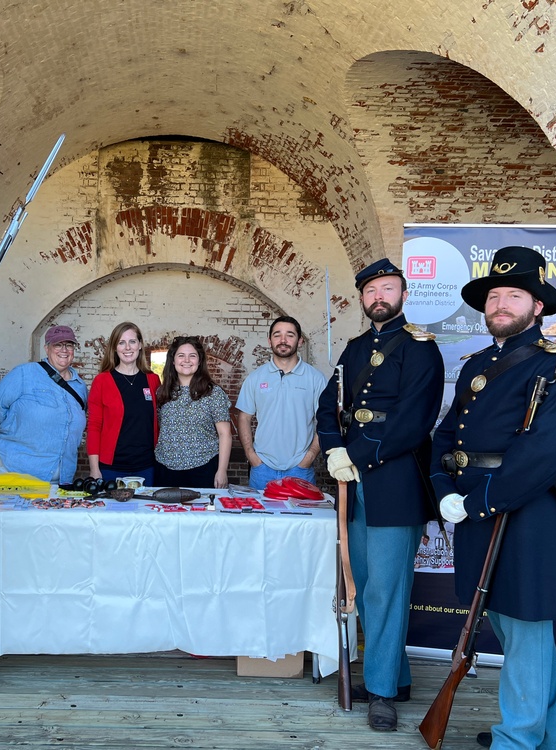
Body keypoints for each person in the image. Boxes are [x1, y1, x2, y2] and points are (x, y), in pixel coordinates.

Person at [430, 246, 556, 750]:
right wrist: (443, 489)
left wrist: (476, 503)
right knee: (513, 628)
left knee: (527, 633)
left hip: (528, 514)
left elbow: (542, 455)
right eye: (494, 295)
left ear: (537, 306)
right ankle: (548, 737)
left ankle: (516, 739)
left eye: (513, 295)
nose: (500, 303)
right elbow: (446, 435)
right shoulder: (479, 363)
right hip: (476, 504)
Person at [315, 258, 445, 732]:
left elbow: (414, 421)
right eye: (371, 291)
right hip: (352, 481)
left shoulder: (422, 350)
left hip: (393, 482)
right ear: (363, 299)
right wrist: (332, 450)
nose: (379, 297)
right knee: (365, 586)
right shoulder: (353, 350)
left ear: (404, 295)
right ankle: (395, 674)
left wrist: (358, 457)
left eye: (388, 288)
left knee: (387, 590)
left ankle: (383, 692)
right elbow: (328, 407)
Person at [0, 325, 87, 482]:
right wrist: (11, 429)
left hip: (61, 476)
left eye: (69, 345)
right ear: (47, 348)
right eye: (58, 344)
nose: (64, 350)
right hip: (16, 467)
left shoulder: (79, 386)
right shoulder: (25, 373)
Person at [235, 316, 326, 490]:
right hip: (262, 469)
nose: (283, 340)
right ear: (269, 341)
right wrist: (251, 456)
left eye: (290, 335)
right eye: (277, 335)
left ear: (300, 341)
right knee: (261, 517)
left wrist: (310, 457)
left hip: (300, 469)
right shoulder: (255, 378)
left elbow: (326, 420)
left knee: (302, 517)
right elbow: (244, 417)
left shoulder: (316, 379)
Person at [87, 322, 161, 486]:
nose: (127, 347)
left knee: (146, 510)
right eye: (121, 342)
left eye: (132, 341)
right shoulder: (102, 381)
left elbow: (159, 422)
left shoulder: (153, 380)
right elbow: (94, 426)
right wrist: (94, 469)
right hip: (111, 468)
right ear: (114, 347)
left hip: (147, 466)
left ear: (140, 345)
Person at [154, 336, 232, 488]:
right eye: (181, 355)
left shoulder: (213, 393)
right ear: (173, 360)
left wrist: (222, 471)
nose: (187, 360)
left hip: (203, 468)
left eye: (192, 356)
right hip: (166, 469)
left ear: (200, 360)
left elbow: (225, 434)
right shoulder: (161, 392)